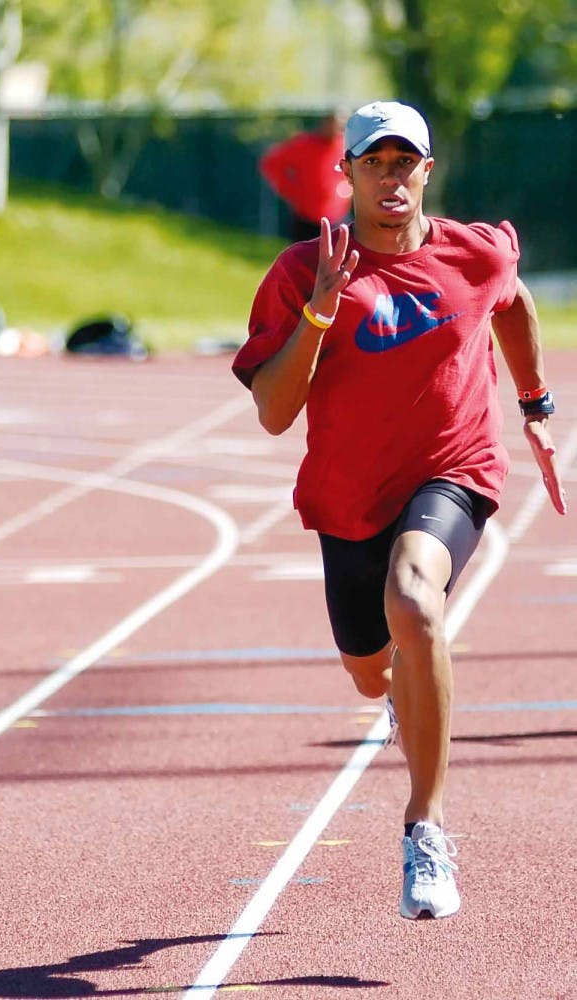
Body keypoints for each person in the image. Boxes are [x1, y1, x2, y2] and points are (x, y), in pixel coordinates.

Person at [232, 100, 567, 920]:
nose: (390, 177)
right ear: (345, 174)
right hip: (348, 499)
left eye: (404, 162)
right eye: (373, 162)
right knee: (370, 668)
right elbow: (276, 412)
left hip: (453, 473)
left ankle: (427, 825)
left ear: (426, 171)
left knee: (416, 598)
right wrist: (319, 305)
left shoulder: (475, 252)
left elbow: (512, 300)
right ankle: (395, 682)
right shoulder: (296, 271)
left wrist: (535, 403)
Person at [259, 111, 352, 242]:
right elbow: (271, 163)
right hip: (305, 218)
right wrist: (289, 189)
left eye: (343, 126)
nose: (337, 129)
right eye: (334, 124)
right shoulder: (303, 144)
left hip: (337, 217)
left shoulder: (347, 147)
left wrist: (348, 190)